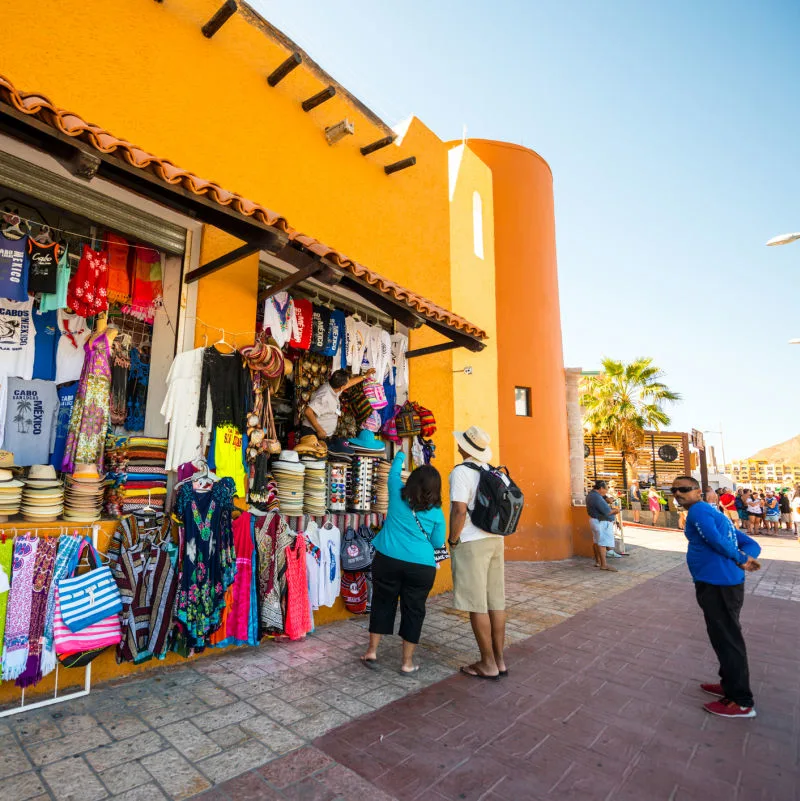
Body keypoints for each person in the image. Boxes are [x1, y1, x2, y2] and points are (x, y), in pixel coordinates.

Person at [671, 475, 760, 718]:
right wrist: (747, 557)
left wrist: (742, 559)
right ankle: (729, 684)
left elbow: (716, 540)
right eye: (674, 490)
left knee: (727, 639)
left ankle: (741, 701)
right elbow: (748, 542)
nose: (678, 493)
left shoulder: (698, 511)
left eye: (684, 489)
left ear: (698, 491)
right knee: (725, 635)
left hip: (716, 583)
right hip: (726, 582)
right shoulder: (713, 512)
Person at [362, 451, 445, 674]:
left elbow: (393, 473)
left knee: (382, 602)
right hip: (421, 567)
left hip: (388, 559)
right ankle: (407, 663)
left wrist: (399, 454)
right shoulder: (437, 512)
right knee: (414, 610)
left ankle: (372, 650)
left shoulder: (397, 494)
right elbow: (438, 542)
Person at [449, 425, 507, 680]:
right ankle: (500, 660)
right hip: (496, 539)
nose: (458, 445)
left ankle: (487, 663)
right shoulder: (493, 471)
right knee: (496, 601)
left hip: (472, 542)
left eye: (460, 443)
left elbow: (459, 511)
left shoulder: (461, 472)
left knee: (476, 604)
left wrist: (452, 539)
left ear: (464, 447)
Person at [301, 367, 375, 442]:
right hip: (313, 434)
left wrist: (365, 376)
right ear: (341, 387)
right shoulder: (325, 396)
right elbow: (308, 411)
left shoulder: (334, 386)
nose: (347, 384)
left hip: (321, 435)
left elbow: (349, 383)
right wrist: (319, 429)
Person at [586, 480, 621, 571]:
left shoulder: (592, 495)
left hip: (595, 520)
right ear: (601, 488)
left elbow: (603, 500)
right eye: (606, 489)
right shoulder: (597, 497)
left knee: (597, 541)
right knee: (602, 543)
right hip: (601, 521)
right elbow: (607, 512)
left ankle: (598, 562)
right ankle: (604, 564)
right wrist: (616, 510)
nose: (606, 491)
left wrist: (606, 499)